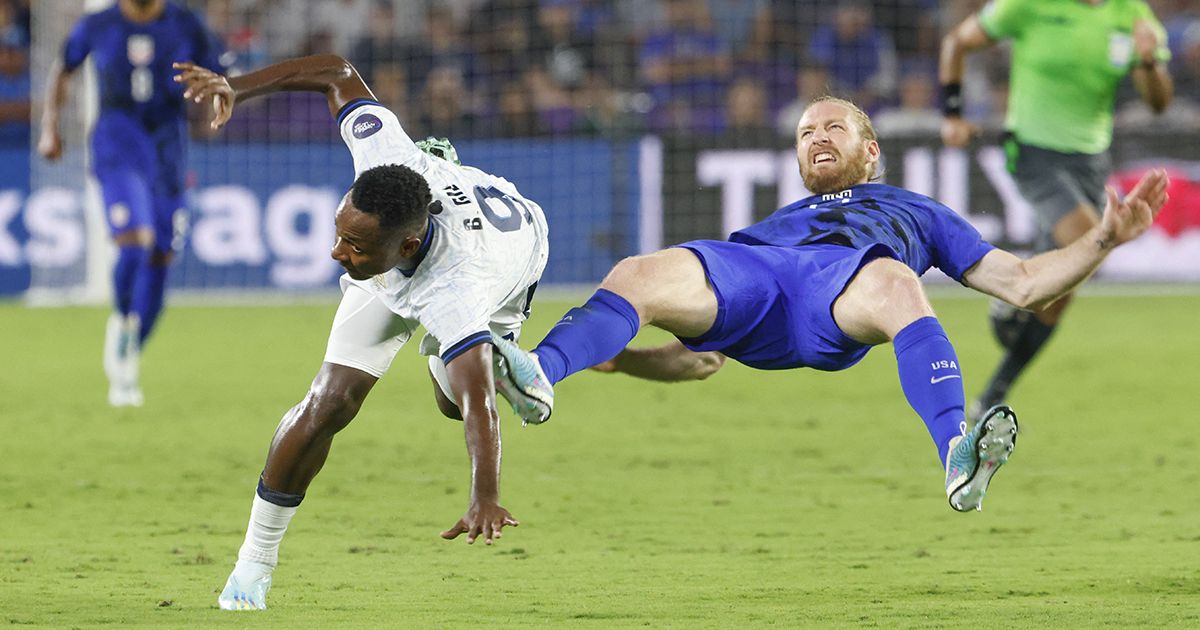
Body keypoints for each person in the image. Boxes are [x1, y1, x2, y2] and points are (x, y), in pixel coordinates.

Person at [491, 96, 1169, 518]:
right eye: (806, 131)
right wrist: (627, 360)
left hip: (839, 294)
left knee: (898, 282)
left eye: (834, 127)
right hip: (757, 278)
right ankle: (539, 373)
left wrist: (1103, 238)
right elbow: (699, 361)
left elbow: (1023, 284)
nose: (817, 135)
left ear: (869, 151)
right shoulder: (773, 222)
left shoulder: (916, 210)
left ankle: (957, 454)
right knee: (638, 272)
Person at [173, 53, 549, 610]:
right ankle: (252, 567)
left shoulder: (457, 289)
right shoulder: (383, 155)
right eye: (338, 233)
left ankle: (499, 357)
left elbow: (478, 409)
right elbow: (336, 71)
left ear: (406, 245)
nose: (335, 252)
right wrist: (237, 86)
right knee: (327, 402)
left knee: (454, 399)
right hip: (404, 261)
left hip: (506, 261)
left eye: (353, 245)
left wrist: (485, 496)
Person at [939, 0, 1174, 418]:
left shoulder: (1131, 14)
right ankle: (1018, 290)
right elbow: (956, 42)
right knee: (1091, 240)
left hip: (1091, 160)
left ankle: (992, 393)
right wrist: (953, 114)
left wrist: (1149, 61)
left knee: (1063, 289)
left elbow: (1158, 102)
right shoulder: (1028, 5)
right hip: (1033, 151)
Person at [37, 0, 225, 407]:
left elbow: (219, 74)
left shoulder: (185, 23)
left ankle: (130, 348)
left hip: (168, 148)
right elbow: (63, 69)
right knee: (135, 243)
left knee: (160, 255)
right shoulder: (98, 24)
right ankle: (122, 322)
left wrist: (215, 101)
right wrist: (50, 126)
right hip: (116, 144)